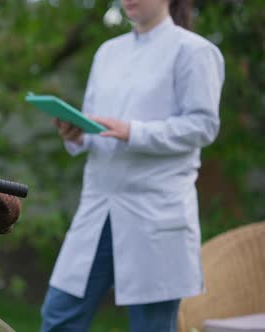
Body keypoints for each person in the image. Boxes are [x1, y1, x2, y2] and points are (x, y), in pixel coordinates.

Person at [40, 0, 224, 331]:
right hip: (98, 209)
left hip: (153, 215)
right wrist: (79, 134)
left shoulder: (195, 51)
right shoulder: (108, 52)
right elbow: (99, 128)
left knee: (150, 326)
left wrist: (134, 131)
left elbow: (203, 125)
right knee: (59, 316)